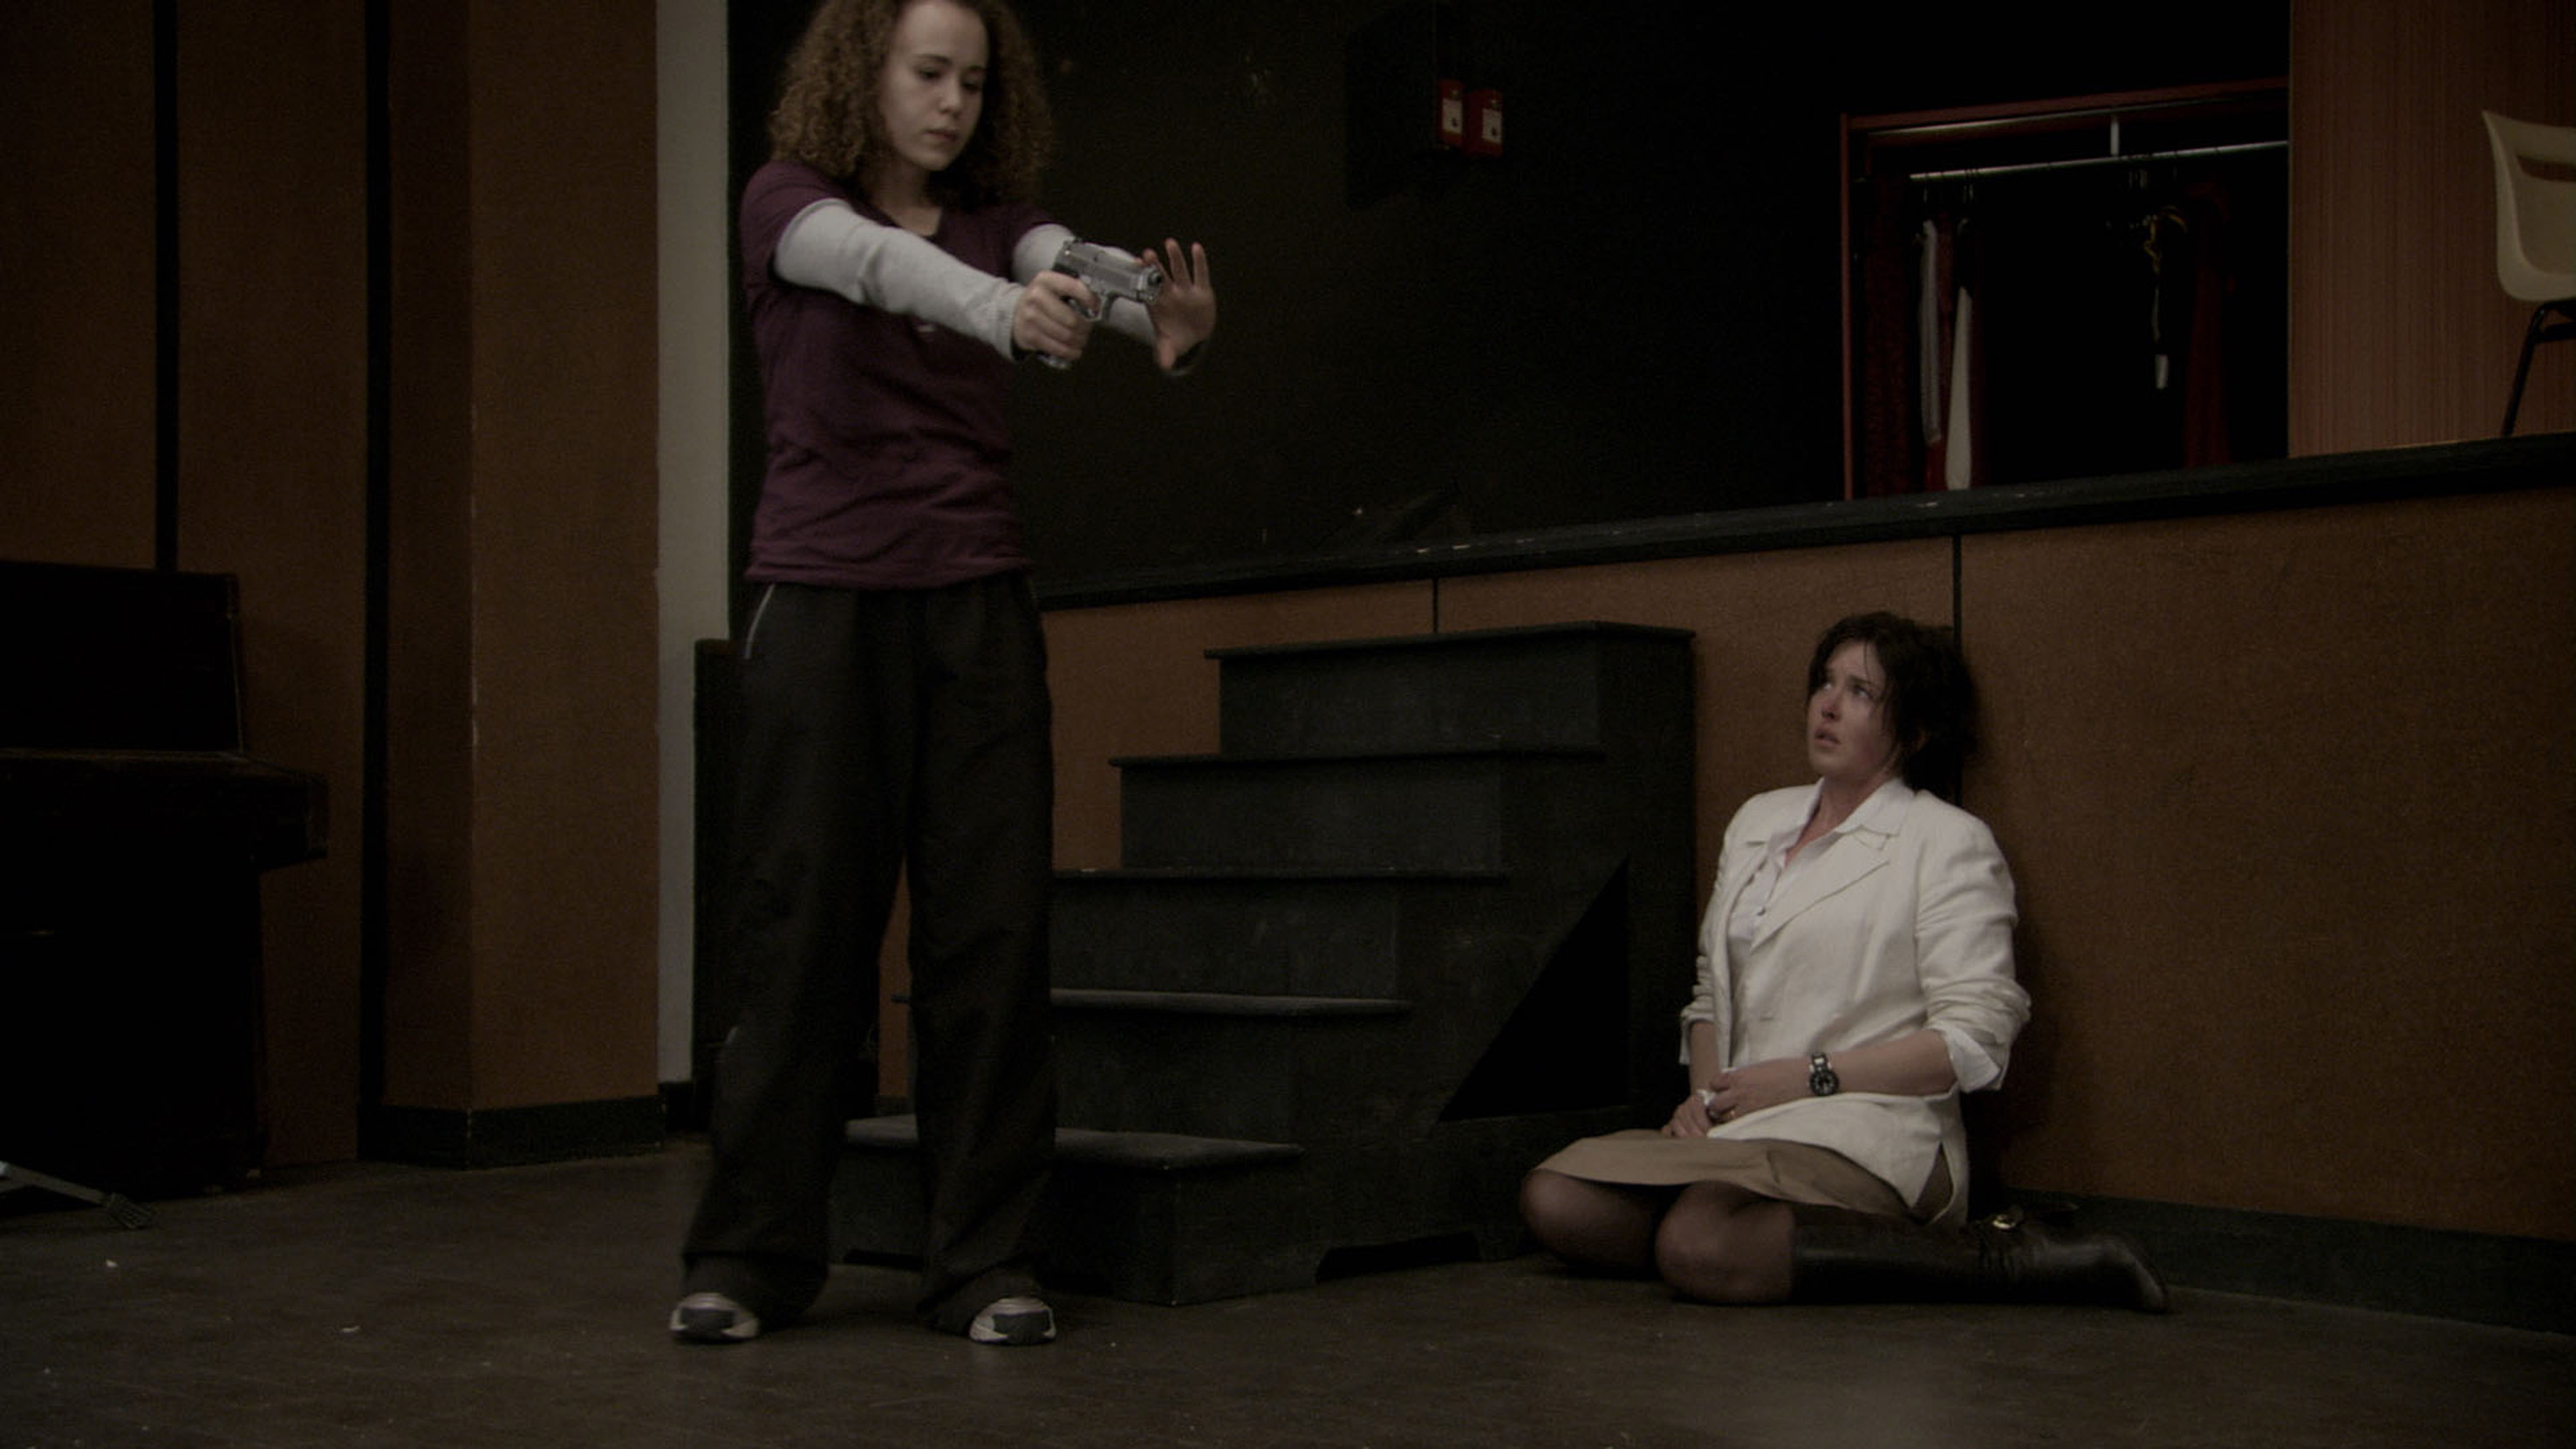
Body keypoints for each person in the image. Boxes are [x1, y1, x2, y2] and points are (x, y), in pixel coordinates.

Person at [672, 0, 1216, 1348]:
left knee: (989, 938)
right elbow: (879, 268)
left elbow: (1072, 267)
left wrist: (1160, 315)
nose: (953, 102)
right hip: (821, 605)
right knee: (800, 935)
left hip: (975, 608)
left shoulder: (1003, 226)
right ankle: (750, 1257)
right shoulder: (785, 202)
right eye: (928, 72)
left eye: (973, 80)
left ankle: (983, 1263)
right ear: (863, 71)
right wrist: (1008, 317)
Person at [1520, 612, 2166, 1311]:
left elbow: (1972, 1041)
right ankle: (1757, 1244)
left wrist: (1805, 1077)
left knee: (1697, 1241)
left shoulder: (1944, 840)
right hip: (1749, 1126)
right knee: (1558, 1198)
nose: (1826, 706)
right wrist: (1707, 1099)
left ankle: (1998, 1256)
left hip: (1869, 1127)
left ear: (1913, 733)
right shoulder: (1758, 821)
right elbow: (1710, 993)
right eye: (1824, 682)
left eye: (1860, 692)